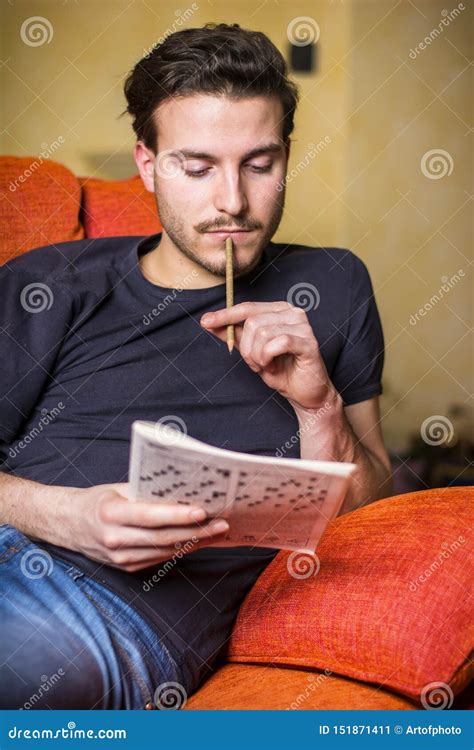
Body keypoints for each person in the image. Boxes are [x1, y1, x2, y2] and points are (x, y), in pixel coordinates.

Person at [0, 23, 392, 709]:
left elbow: (374, 509)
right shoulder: (49, 281)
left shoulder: (333, 283)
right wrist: (68, 516)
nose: (233, 203)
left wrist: (318, 406)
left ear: (286, 157)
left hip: (106, 623)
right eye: (198, 167)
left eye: (259, 164)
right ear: (149, 165)